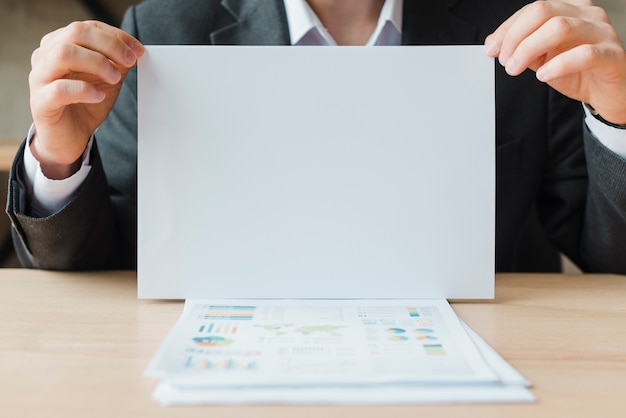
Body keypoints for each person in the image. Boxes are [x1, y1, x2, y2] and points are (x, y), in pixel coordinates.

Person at [6, 0, 626, 273]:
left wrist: (618, 115)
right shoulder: (162, 29)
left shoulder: (520, 26)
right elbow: (94, 263)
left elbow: (611, 261)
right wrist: (58, 157)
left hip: (491, 362)